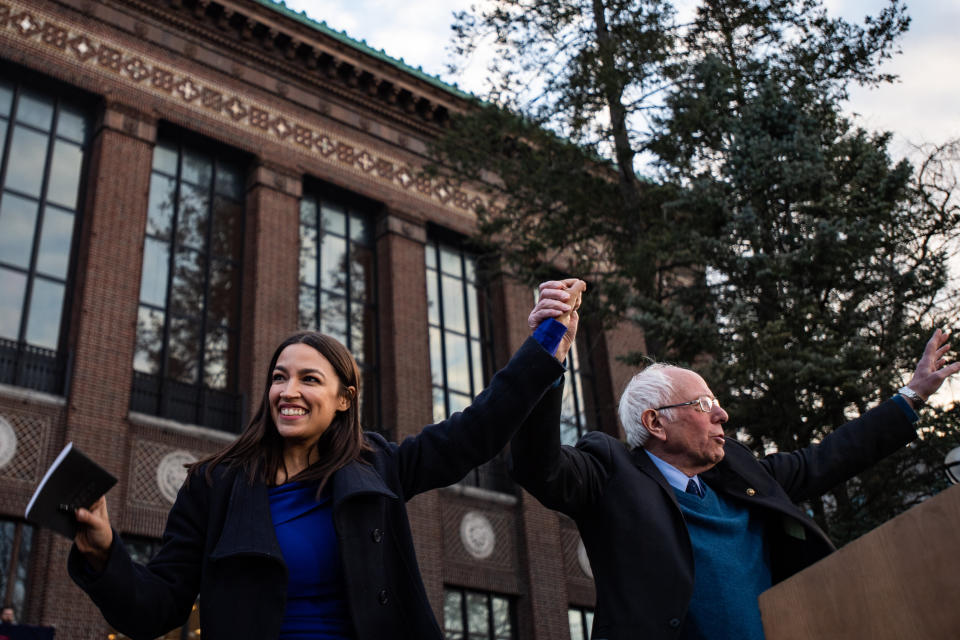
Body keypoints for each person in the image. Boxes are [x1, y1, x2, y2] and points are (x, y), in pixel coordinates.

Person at [67, 285, 582, 640]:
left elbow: (479, 428)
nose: (288, 391)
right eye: (278, 377)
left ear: (343, 399)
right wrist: (103, 554)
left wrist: (547, 340)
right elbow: (156, 608)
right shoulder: (214, 483)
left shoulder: (378, 466)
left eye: (309, 379)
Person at [511, 280, 959, 640]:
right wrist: (547, 352)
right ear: (655, 422)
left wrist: (911, 395)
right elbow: (539, 466)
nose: (722, 413)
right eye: (704, 405)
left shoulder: (740, 475)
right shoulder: (610, 473)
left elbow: (829, 458)